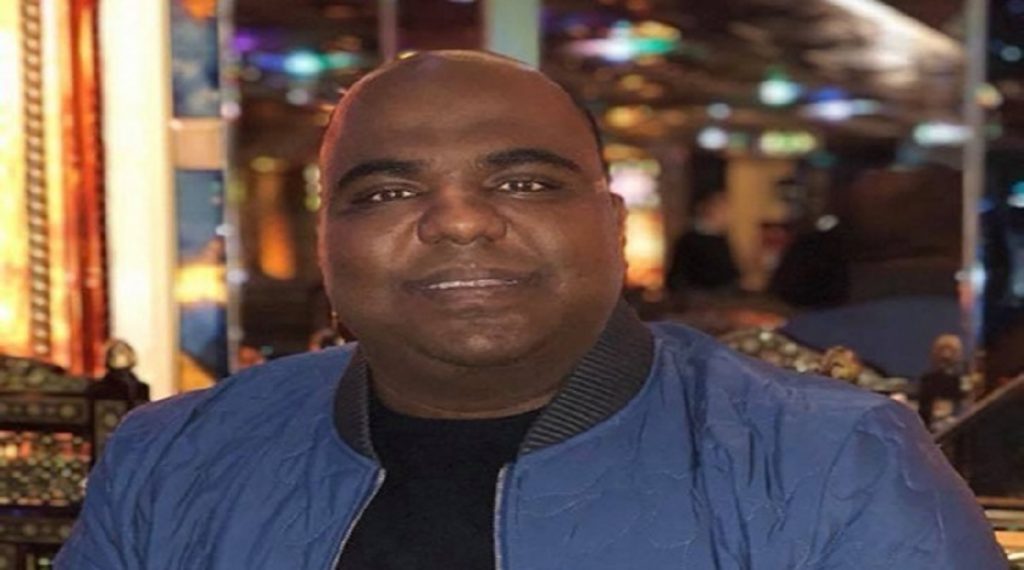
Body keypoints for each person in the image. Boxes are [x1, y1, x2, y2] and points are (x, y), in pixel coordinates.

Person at [56, 51, 1004, 569]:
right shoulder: (175, 458)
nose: (458, 221)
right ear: (325, 246)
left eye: (523, 182)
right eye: (387, 193)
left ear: (614, 227)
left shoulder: (828, 459)